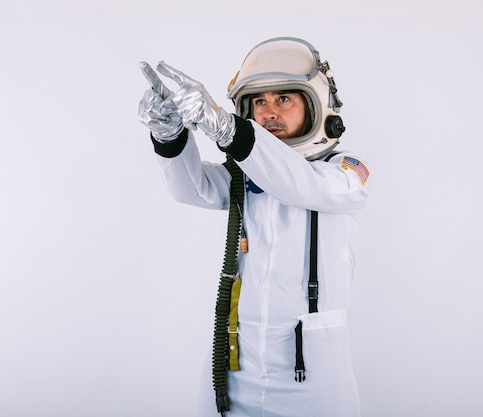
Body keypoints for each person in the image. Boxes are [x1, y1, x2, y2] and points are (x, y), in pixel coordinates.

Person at [137, 37, 371, 417]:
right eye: (259, 102)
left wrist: (232, 133)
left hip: (313, 377)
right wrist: (169, 135)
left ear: (316, 105)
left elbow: (301, 185)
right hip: (237, 366)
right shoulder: (246, 175)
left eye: (283, 99)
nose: (268, 112)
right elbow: (190, 188)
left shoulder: (346, 171)